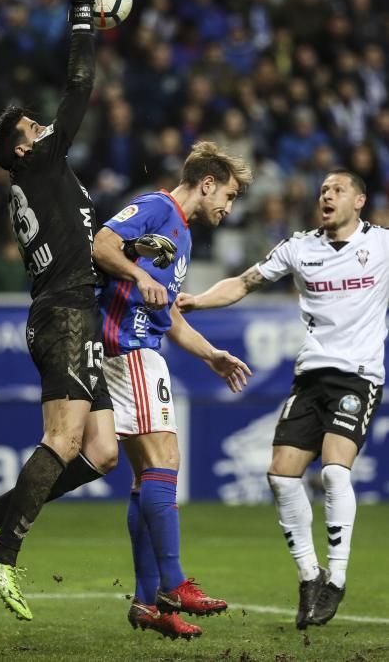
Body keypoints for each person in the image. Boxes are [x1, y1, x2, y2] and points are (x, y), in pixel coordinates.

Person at [0, 0, 118, 622]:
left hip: (70, 309)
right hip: (65, 318)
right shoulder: (43, 166)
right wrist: (83, 11)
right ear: (22, 149)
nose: (44, 128)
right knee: (61, 438)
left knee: (102, 453)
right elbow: (79, 88)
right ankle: (0, 556)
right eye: (34, 127)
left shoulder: (43, 179)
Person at [177, 168, 386, 629]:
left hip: (358, 377)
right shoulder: (299, 247)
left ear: (359, 201)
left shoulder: (383, 247)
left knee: (334, 471)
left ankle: (337, 577)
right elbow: (244, 282)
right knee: (280, 475)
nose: (326, 195)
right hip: (311, 377)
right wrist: (195, 301)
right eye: (323, 189)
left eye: (337, 189)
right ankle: (310, 576)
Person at [92, 141, 253, 640]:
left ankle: (147, 603)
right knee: (167, 462)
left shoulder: (179, 235)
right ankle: (173, 584)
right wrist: (138, 274)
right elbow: (100, 243)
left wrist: (212, 356)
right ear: (206, 184)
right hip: (130, 348)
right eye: (226, 195)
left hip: (143, 345)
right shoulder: (159, 207)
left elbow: (172, 316)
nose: (228, 207)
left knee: (149, 475)